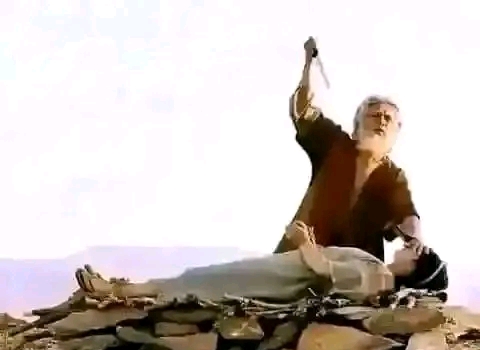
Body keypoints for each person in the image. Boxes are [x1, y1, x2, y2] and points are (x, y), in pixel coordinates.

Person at [275, 37, 422, 261]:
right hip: (299, 257)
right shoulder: (334, 144)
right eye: (375, 115)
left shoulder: (393, 177)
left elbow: (407, 215)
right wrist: (309, 65)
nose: (382, 122)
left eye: (388, 119)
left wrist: (416, 239)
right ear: (356, 127)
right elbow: (302, 110)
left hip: (353, 271)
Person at [74, 222, 447, 305]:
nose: (404, 248)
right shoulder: (377, 269)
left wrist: (303, 242)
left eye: (412, 250)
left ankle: (114, 291)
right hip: (280, 272)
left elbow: (324, 271)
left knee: (196, 281)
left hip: (279, 280)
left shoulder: (378, 277)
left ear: (414, 267)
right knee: (197, 278)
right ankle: (120, 288)